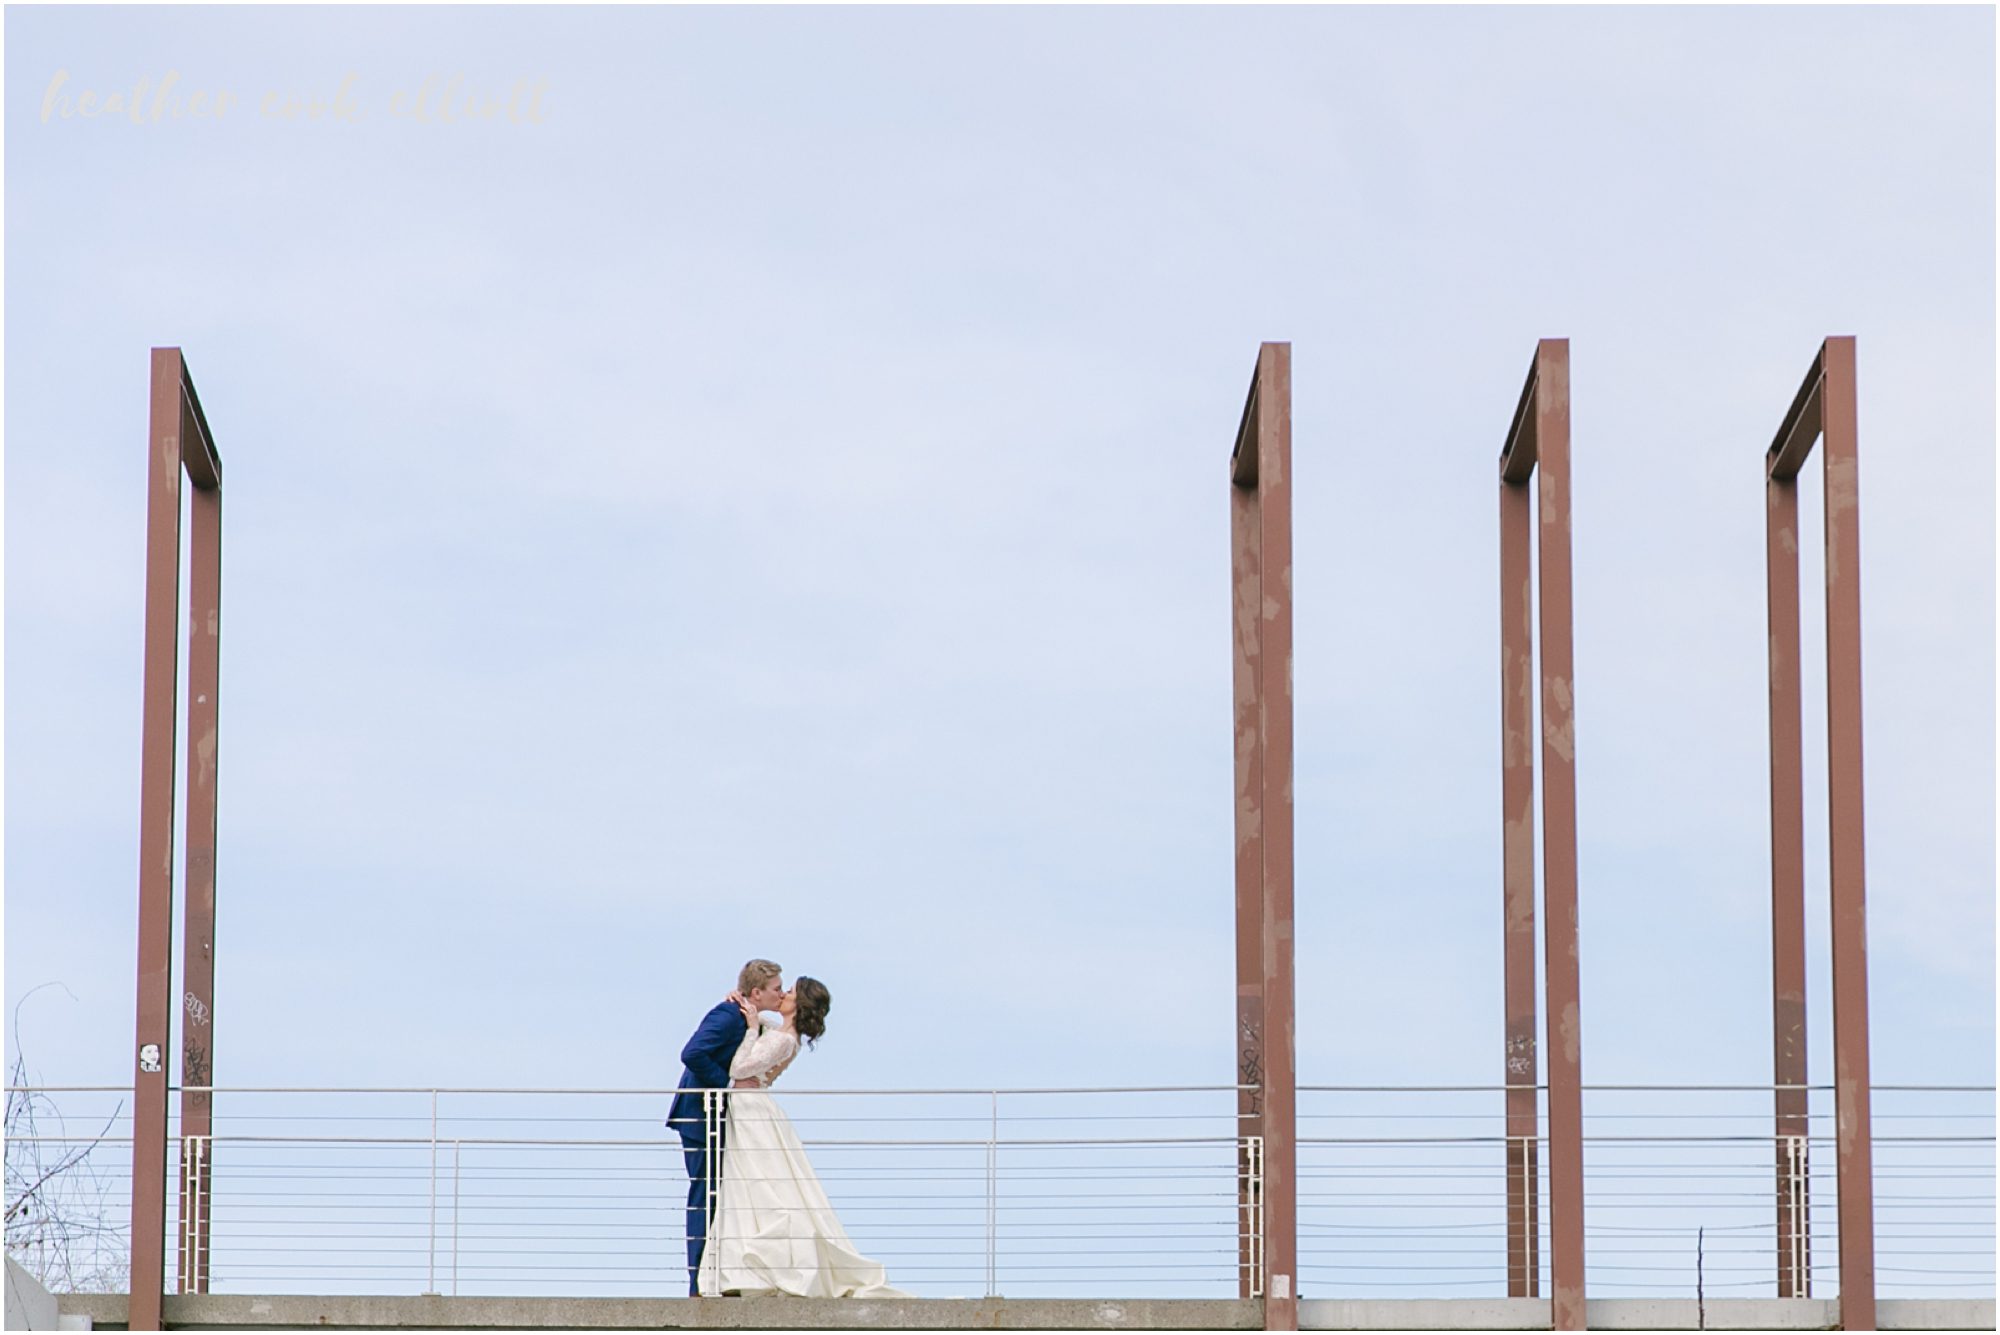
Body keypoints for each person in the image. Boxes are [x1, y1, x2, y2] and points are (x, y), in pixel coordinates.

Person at [698, 977, 909, 1298]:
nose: (783, 994)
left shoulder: (783, 1039)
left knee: (756, 1182)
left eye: (791, 992)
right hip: (750, 1109)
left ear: (800, 1004)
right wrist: (742, 1002)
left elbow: (740, 1069)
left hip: (752, 1110)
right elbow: (758, 1018)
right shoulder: (782, 1033)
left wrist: (752, 1028)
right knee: (748, 1182)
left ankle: (764, 1263)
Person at [668, 959, 785, 1297]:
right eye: (776, 989)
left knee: (719, 1195)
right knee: (705, 1195)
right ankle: (697, 1284)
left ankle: (714, 1277)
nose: (780, 994)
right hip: (699, 1116)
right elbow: (692, 1053)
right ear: (756, 992)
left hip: (717, 1117)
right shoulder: (727, 1015)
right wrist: (726, 1086)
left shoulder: (748, 1018)